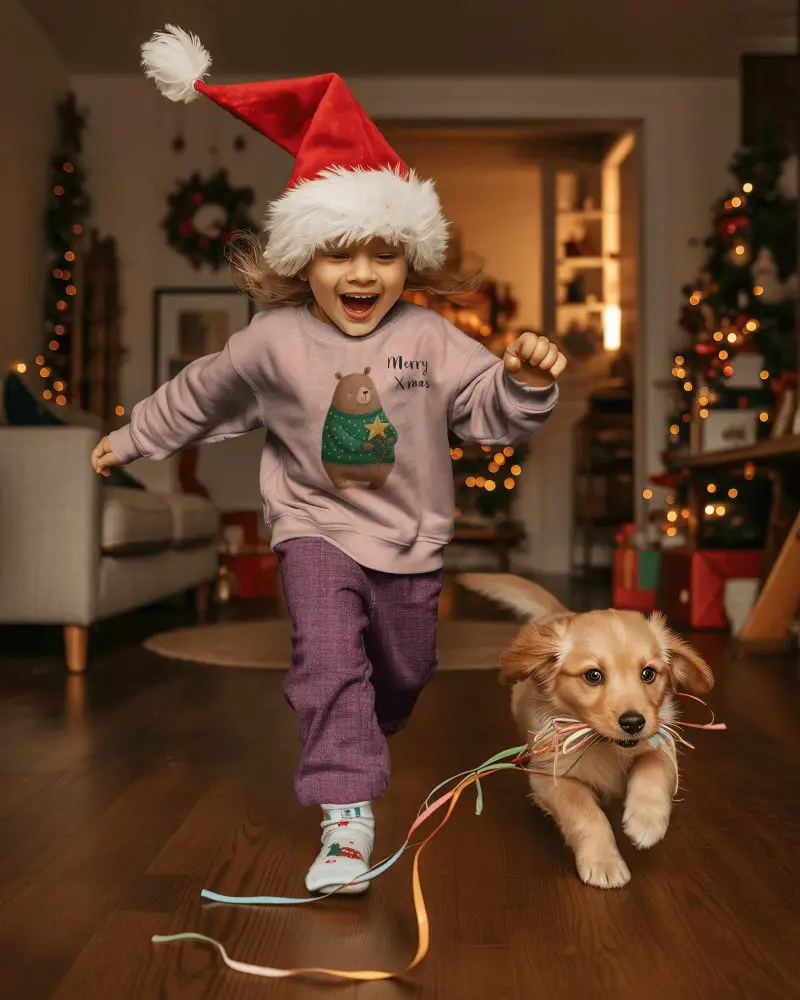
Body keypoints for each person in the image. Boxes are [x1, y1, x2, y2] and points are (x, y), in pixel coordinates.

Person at [90, 25, 567, 896]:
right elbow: (201, 391)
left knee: (404, 670)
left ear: (409, 259)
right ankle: (345, 819)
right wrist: (130, 436)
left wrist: (524, 380)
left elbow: (489, 415)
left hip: (412, 540)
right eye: (340, 252)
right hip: (312, 525)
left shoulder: (430, 335)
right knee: (326, 660)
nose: (362, 273)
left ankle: (365, 726)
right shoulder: (272, 339)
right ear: (301, 257)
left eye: (384, 253)